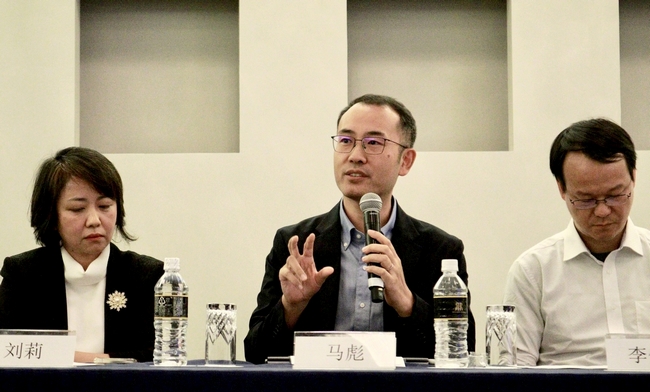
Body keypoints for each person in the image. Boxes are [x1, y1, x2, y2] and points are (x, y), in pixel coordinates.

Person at [245, 94, 475, 364]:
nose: (355, 156)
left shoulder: (440, 250)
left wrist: (407, 303)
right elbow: (254, 354)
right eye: (345, 141)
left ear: (405, 161)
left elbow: (464, 353)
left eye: (373, 143)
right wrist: (290, 308)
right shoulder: (296, 244)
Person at [503, 118, 650, 366]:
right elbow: (516, 369)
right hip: (566, 391)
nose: (602, 211)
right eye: (585, 199)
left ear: (633, 178)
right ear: (562, 189)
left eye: (615, 195)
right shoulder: (533, 271)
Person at [0, 147, 163, 363]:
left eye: (105, 206)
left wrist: (71, 359)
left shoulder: (145, 275)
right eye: (77, 209)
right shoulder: (23, 275)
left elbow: (156, 354)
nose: (94, 220)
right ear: (51, 215)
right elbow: (8, 349)